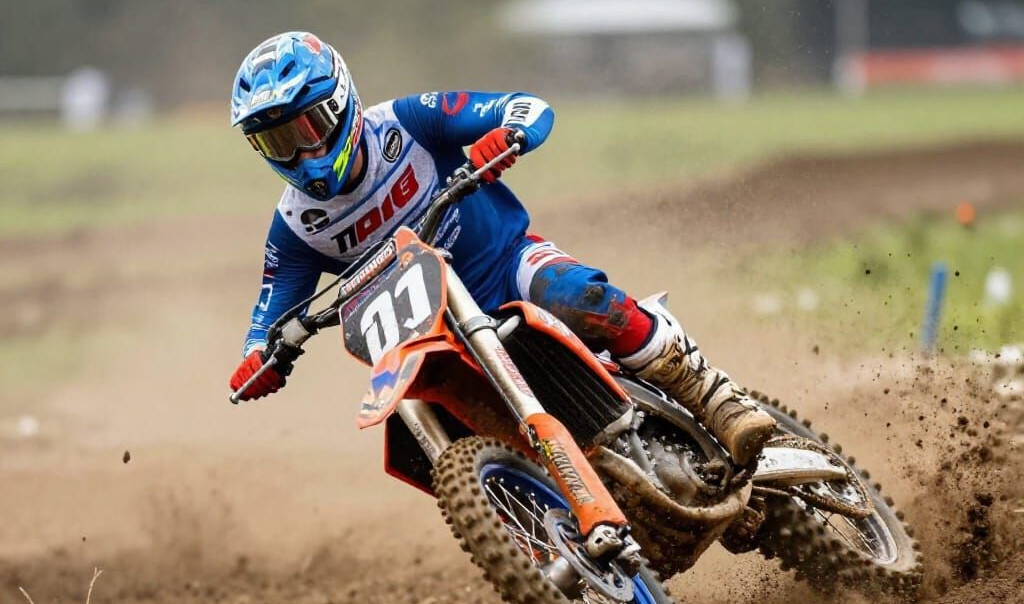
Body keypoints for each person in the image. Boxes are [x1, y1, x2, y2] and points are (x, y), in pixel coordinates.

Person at [228, 32, 775, 465]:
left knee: (576, 296)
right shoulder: (295, 227)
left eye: (308, 127)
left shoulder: (408, 121)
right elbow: (269, 317)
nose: (302, 154)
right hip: (430, 335)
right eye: (278, 142)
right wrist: (259, 360)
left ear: (342, 101)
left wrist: (508, 135)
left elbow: (527, 107)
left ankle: (714, 398)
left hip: (508, 268)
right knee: (425, 424)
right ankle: (537, 544)